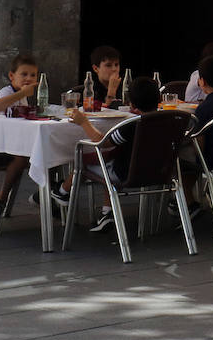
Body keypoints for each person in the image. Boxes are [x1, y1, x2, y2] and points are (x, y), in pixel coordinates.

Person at [66, 76, 163, 233]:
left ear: (131, 104)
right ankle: (106, 212)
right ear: (159, 99)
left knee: (89, 163)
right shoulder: (170, 120)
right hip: (161, 172)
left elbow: (101, 142)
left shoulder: (132, 124)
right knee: (110, 161)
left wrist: (84, 122)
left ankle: (63, 192)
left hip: (125, 174)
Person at [0, 53, 40, 224]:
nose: (28, 79)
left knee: (47, 152)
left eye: (33, 75)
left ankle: (50, 194)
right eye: (24, 74)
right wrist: (20, 94)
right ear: (11, 76)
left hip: (17, 142)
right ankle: (1, 198)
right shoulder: (8, 92)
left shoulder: (23, 96)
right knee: (21, 157)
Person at [86, 46, 123, 110]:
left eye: (116, 65)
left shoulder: (126, 87)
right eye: (108, 65)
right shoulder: (90, 90)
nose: (114, 69)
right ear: (96, 68)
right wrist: (111, 92)